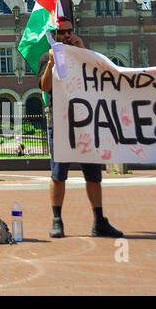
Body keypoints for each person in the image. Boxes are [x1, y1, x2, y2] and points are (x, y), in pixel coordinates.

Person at [38, 19, 124, 239]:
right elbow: (45, 86)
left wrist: (84, 51)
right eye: (61, 32)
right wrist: (51, 62)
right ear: (53, 36)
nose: (66, 35)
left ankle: (99, 221)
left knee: (93, 175)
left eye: (69, 31)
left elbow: (102, 77)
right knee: (58, 174)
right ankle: (57, 220)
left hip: (88, 121)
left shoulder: (87, 56)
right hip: (61, 122)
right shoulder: (46, 58)